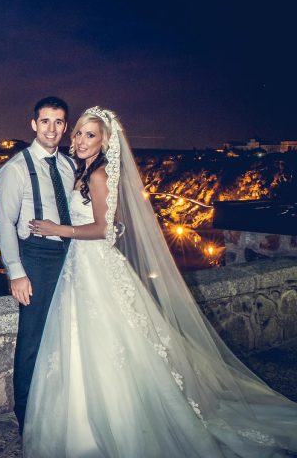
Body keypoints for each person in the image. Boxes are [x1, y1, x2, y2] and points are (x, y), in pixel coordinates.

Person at [23, 107, 297, 457]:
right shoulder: (83, 172)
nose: (78, 139)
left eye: (89, 135)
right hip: (81, 265)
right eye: (77, 132)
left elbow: (105, 229)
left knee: (106, 338)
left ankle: (113, 422)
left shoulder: (99, 176)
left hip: (94, 263)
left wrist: (57, 230)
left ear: (105, 141)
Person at [0, 96, 77, 437]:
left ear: (65, 126)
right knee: (33, 337)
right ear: (34, 124)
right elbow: (4, 221)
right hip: (37, 257)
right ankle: (26, 413)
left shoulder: (70, 166)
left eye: (58, 122)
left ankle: (57, 403)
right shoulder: (15, 168)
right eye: (45, 121)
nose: (52, 129)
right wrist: (16, 271)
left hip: (70, 254)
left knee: (65, 333)